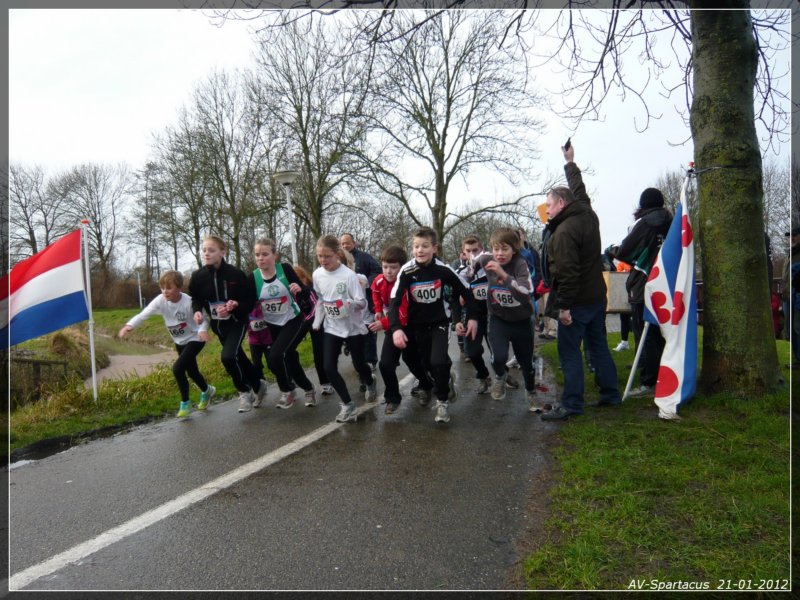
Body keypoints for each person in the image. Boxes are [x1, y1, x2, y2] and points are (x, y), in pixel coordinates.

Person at [540, 143, 621, 420]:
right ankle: (611, 395)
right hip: (597, 298)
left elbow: (567, 275)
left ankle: (572, 404)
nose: (546, 211)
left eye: (549, 206)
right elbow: (579, 190)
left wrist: (564, 308)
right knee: (597, 346)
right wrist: (570, 163)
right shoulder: (587, 213)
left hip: (577, 303)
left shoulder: (563, 233)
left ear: (561, 204)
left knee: (569, 351)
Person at [388, 227, 478, 424]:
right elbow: (394, 300)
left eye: (425, 246)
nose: (420, 250)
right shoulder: (407, 270)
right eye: (416, 246)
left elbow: (466, 292)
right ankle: (443, 380)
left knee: (437, 362)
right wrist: (396, 329)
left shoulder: (443, 270)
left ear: (434, 248)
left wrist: (471, 318)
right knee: (426, 363)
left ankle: (442, 403)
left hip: (439, 322)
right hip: (416, 324)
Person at [468, 228, 547, 412]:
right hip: (498, 319)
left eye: (504, 249)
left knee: (526, 363)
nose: (499, 254)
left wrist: (503, 275)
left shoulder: (521, 264)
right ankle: (501, 376)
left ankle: (531, 392)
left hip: (521, 321)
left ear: (515, 249)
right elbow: (475, 261)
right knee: (498, 357)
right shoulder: (488, 259)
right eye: (496, 249)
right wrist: (471, 272)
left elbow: (525, 293)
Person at [119, 270, 215, 418]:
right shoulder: (160, 300)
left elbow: (205, 318)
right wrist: (129, 325)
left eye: (169, 288)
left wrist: (202, 330)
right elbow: (144, 314)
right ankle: (207, 391)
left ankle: (185, 403)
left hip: (196, 338)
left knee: (177, 369)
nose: (165, 291)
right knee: (192, 372)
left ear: (179, 288)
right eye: (162, 288)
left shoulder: (189, 302)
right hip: (179, 341)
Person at [607, 188, 673, 398]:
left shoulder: (645, 223)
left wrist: (612, 250)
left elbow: (626, 251)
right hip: (664, 283)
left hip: (644, 283)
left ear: (643, 204)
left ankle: (648, 381)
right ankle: (659, 373)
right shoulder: (671, 222)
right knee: (659, 334)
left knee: (644, 334)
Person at [189, 235, 266, 413]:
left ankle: (244, 391)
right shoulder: (198, 276)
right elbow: (196, 299)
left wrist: (235, 305)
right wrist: (198, 311)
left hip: (237, 322)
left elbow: (249, 301)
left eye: (211, 250)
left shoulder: (235, 274)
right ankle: (258, 385)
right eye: (204, 250)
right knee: (238, 357)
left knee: (228, 357)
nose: (206, 254)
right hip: (218, 326)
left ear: (222, 252)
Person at [313, 235, 378, 423]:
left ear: (337, 255)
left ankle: (369, 381)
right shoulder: (317, 274)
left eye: (327, 256)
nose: (323, 261)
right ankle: (348, 405)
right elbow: (320, 299)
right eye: (320, 256)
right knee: (328, 367)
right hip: (332, 327)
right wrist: (317, 322)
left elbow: (362, 301)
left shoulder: (349, 276)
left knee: (359, 365)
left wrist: (349, 304)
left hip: (352, 328)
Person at [250, 238, 317, 410]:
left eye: (265, 254)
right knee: (287, 358)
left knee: (275, 356)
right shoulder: (253, 277)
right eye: (257, 255)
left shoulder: (285, 269)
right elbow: (247, 302)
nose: (261, 258)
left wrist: (299, 289)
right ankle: (308, 388)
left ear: (274, 255)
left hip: (292, 320)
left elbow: (306, 291)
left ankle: (287, 391)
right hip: (271, 324)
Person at [369, 244, 434, 414]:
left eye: (393, 268)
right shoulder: (379, 280)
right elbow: (374, 291)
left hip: (411, 327)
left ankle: (427, 386)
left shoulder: (405, 284)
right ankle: (392, 398)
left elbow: (402, 313)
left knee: (412, 362)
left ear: (402, 267)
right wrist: (377, 310)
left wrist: (382, 323)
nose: (389, 271)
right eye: (385, 267)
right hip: (393, 327)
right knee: (385, 364)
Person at [452, 235, 494, 394]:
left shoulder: (492, 267)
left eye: (475, 250)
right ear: (463, 252)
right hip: (473, 316)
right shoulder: (461, 273)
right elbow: (454, 299)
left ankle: (501, 374)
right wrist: (456, 321)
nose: (472, 255)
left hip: (493, 315)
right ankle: (484, 376)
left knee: (497, 352)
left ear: (482, 249)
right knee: (473, 352)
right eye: (468, 251)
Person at [340, 233, 382, 369]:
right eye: (342, 244)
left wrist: (366, 283)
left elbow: (377, 270)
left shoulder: (364, 257)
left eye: (347, 242)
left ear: (354, 242)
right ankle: (356, 357)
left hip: (366, 301)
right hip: (348, 304)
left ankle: (370, 360)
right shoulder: (338, 258)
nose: (345, 246)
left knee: (368, 331)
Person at [293, 264, 333, 395]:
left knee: (318, 353)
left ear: (304, 279)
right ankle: (291, 379)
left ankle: (326, 382)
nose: (295, 284)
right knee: (288, 349)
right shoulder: (293, 294)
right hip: (303, 323)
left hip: (318, 323)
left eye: (298, 280)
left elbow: (316, 308)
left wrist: (305, 322)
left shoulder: (311, 290)